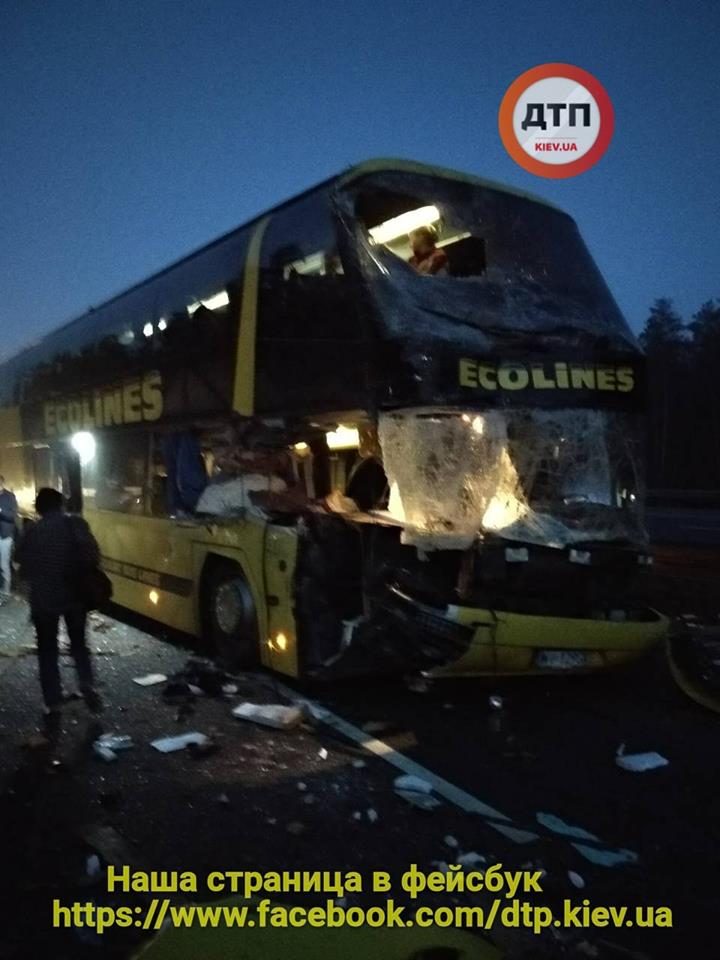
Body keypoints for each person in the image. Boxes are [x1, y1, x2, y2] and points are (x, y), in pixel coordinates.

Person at [17, 488, 102, 716]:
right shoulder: (76, 525)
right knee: (79, 644)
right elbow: (94, 555)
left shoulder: (33, 530)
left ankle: (52, 699)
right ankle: (87, 683)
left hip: (43, 600)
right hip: (74, 596)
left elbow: (21, 561)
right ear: (61, 504)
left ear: (39, 508)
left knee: (47, 650)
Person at [0, 475, 18, 601]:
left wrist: (1, 511)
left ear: (1, 483)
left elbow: (13, 515)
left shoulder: (9, 496)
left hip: (5, 536)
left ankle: (6, 592)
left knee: (4, 564)